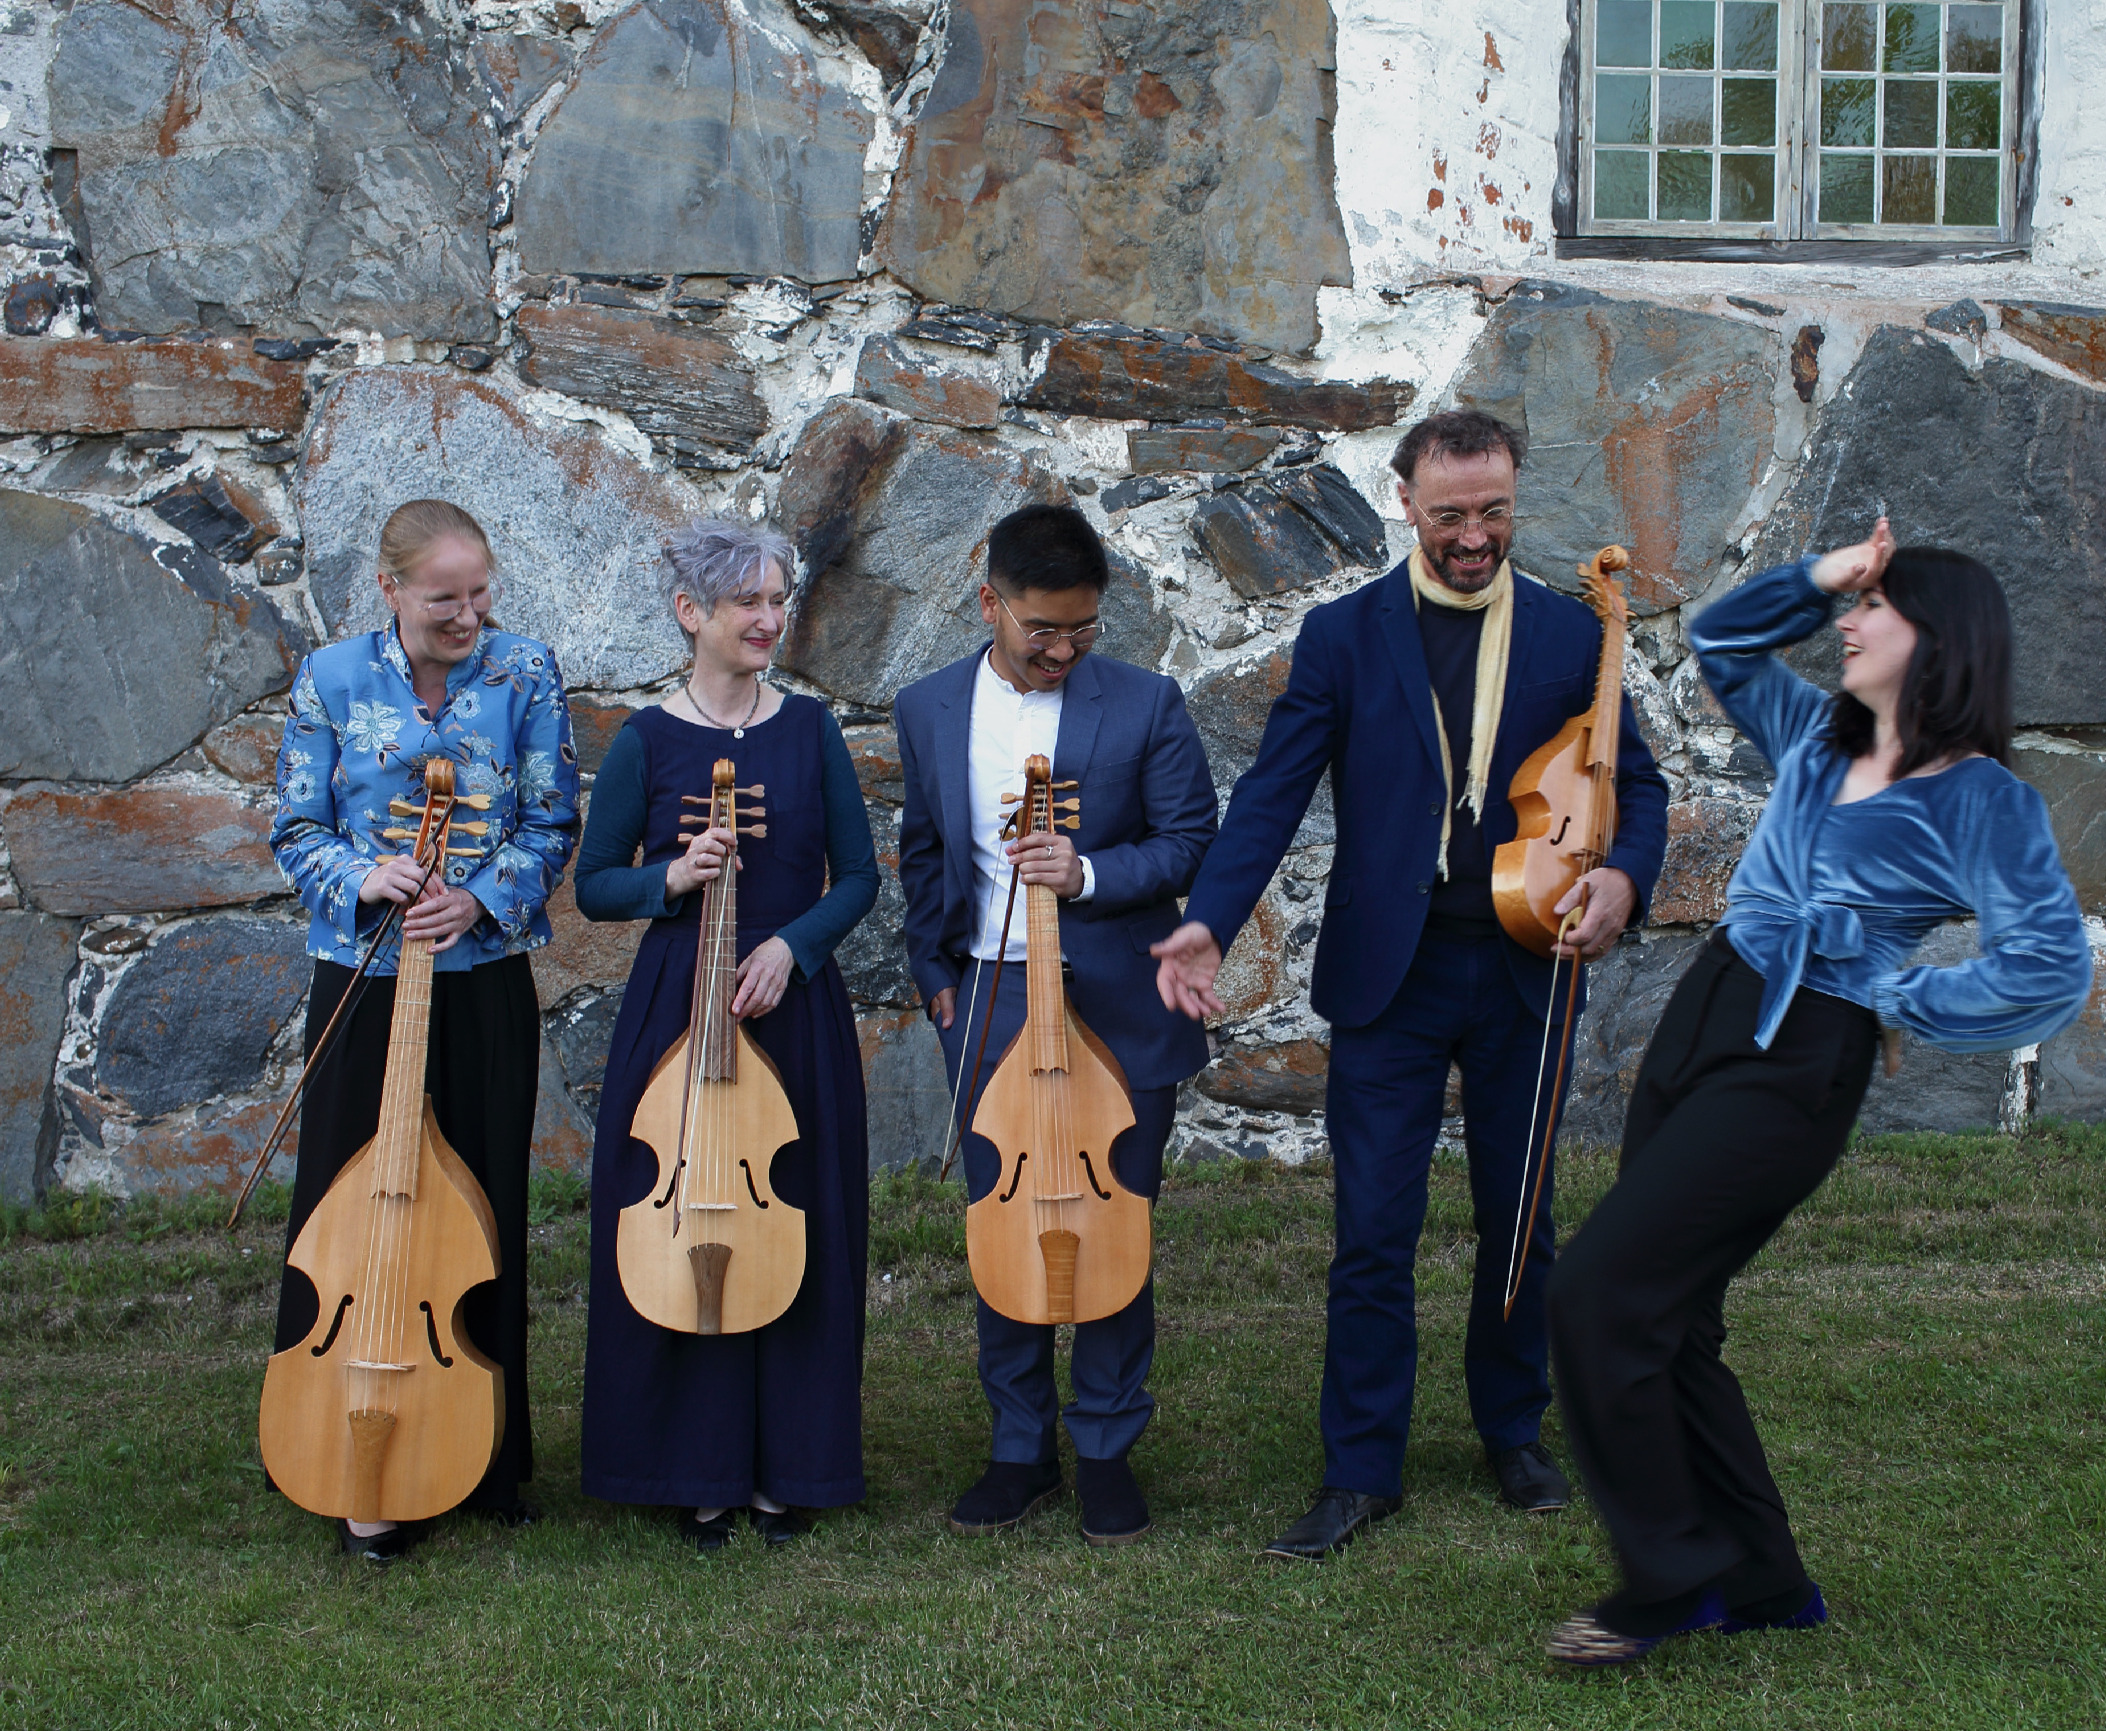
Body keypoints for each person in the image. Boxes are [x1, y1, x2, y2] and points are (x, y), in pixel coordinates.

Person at [1539, 521, 2094, 1665]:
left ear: (1938, 641)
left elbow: (2045, 963)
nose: (1847, 624)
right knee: (1672, 1320)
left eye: (1872, 609)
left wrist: (1899, 995)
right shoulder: (1809, 739)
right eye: (1852, 605)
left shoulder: (1981, 800)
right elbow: (1721, 639)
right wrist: (1825, 573)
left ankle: (1669, 1577)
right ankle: (1762, 1582)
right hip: (1706, 1012)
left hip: (1802, 1053)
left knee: (1597, 1291)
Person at [1153, 409, 1671, 1559]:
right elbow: (1269, 797)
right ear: (1405, 504)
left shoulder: (1569, 630)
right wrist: (1206, 925)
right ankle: (1358, 1470)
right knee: (1371, 1230)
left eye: (1493, 511)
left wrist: (1626, 883)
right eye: (1450, 516)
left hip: (1525, 966)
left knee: (1517, 1219)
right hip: (1386, 976)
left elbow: (1634, 785)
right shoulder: (1340, 637)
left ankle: (1512, 1430)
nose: (1474, 535)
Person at [894, 503, 1217, 1547]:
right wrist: (934, 975)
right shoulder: (928, 706)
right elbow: (922, 851)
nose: (1064, 650)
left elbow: (1187, 842)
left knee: (1112, 1220)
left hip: (1116, 1000)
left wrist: (1084, 872)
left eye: (1084, 629)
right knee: (1006, 1218)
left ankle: (1108, 1448)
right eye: (1042, 630)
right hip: (985, 999)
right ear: (988, 603)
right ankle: (1019, 1447)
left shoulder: (1147, 703)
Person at [270, 498, 579, 1562]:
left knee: (481, 1201)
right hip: (361, 973)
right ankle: (325, 1419)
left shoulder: (525, 673)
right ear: (390, 591)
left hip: (481, 973)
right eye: (445, 598)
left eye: (479, 593)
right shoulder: (329, 678)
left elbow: (551, 820)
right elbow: (297, 827)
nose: (468, 615)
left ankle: (484, 1451)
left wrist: (483, 895)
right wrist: (369, 875)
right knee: (345, 1198)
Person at [574, 521, 878, 1553]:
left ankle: (791, 1464)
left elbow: (861, 877)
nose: (767, 618)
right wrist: (671, 877)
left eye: (776, 598)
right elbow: (594, 884)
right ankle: (691, 1466)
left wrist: (794, 946)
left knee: (793, 1220)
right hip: (679, 1008)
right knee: (679, 1221)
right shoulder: (645, 741)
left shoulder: (810, 732)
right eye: (746, 601)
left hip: (786, 1007)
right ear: (689, 614)